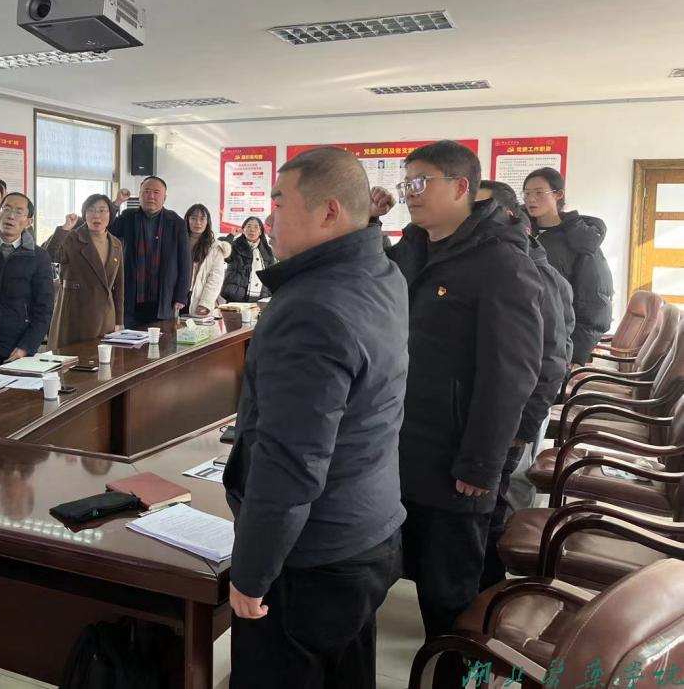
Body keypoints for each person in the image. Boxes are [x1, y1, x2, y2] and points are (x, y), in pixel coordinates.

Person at [224, 148, 407, 689]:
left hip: (313, 555)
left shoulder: (311, 307)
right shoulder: (382, 272)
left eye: (279, 203)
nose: (269, 217)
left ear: (328, 211)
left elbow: (291, 462)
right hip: (369, 526)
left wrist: (252, 572)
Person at [372, 141, 543, 682]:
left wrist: (481, 463)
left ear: (461, 186)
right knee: (390, 574)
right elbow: (371, 281)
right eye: (406, 183)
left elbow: (511, 373)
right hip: (401, 448)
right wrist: (368, 223)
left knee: (448, 598)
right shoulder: (415, 247)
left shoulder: (501, 262)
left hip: (455, 464)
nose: (409, 193)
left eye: (420, 182)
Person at [475, 180, 575, 590]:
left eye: (478, 211)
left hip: (509, 422)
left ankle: (487, 600)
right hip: (488, 422)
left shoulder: (529, 271)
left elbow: (551, 360)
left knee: (490, 513)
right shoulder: (486, 265)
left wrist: (524, 427)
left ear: (504, 216)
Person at [523, 167, 613, 364]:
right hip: (525, 336)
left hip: (559, 343)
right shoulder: (521, 232)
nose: (531, 199)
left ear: (558, 194)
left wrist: (575, 354)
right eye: (527, 193)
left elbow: (595, 301)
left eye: (539, 192)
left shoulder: (580, 240)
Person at [0, 192, 55, 371]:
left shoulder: (38, 256)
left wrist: (27, 346)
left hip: (14, 347)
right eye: (6, 208)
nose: (11, 216)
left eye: (19, 212)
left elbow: (44, 308)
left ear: (28, 222)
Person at [107, 175, 190, 328]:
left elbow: (185, 262)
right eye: (146, 191)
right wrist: (117, 202)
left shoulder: (176, 223)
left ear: (164, 198)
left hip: (164, 297)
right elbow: (106, 226)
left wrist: (181, 295)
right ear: (139, 196)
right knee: (132, 339)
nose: (151, 196)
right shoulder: (128, 217)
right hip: (133, 297)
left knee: (163, 339)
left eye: (156, 192)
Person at [45, 194, 125, 348]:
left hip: (105, 314)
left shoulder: (115, 243)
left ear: (110, 214)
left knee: (102, 358)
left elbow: (119, 285)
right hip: (74, 312)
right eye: (91, 210)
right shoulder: (72, 237)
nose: (96, 215)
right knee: (72, 357)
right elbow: (51, 254)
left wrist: (119, 321)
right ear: (84, 214)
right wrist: (65, 228)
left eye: (102, 210)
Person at [185, 203, 230, 317]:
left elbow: (215, 279)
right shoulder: (178, 242)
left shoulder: (215, 248)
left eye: (202, 219)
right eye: (193, 218)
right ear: (187, 220)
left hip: (199, 300)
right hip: (176, 299)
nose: (198, 222)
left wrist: (204, 304)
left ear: (207, 221)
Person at [220, 216, 275, 303]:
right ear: (243, 230)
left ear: (260, 232)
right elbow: (222, 250)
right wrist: (231, 235)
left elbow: (270, 276)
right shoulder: (234, 247)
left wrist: (269, 294)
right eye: (248, 226)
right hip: (235, 299)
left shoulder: (268, 251)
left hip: (260, 299)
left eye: (256, 227)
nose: (252, 230)